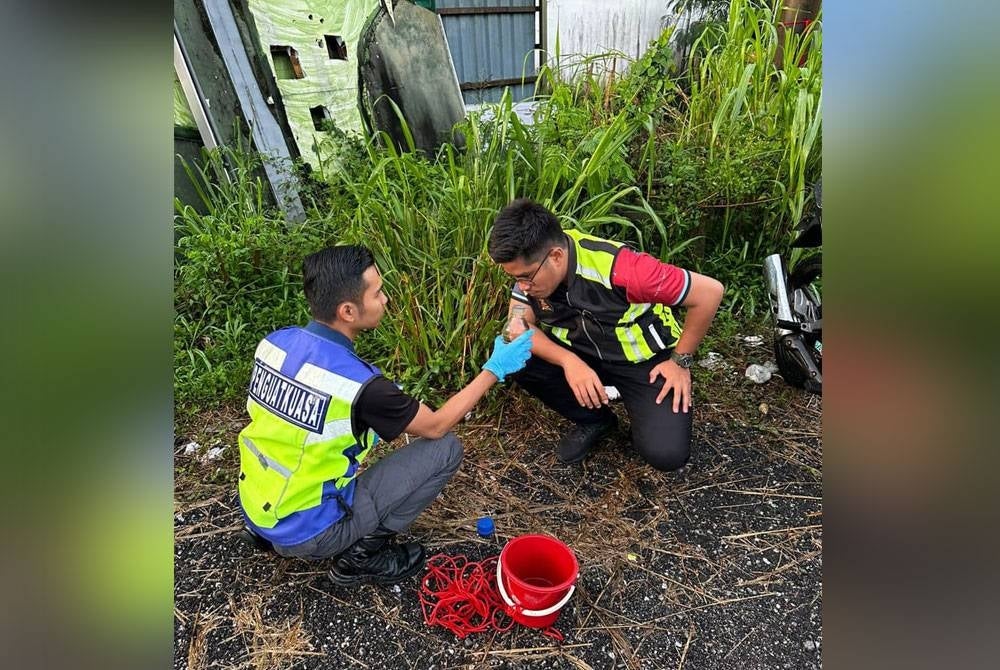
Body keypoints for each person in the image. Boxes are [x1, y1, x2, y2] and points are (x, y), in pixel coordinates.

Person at [236, 245, 533, 585]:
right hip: (309, 531)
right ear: (348, 311)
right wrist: (494, 369)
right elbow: (435, 426)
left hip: (257, 503)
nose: (386, 299)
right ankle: (361, 556)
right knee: (446, 449)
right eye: (377, 293)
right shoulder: (362, 387)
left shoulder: (274, 343)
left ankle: (268, 532)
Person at [487, 198, 724, 471]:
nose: (523, 288)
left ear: (556, 256)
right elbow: (515, 329)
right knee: (513, 354)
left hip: (642, 362)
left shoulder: (623, 269)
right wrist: (569, 362)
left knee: (666, 454)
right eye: (515, 279)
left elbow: (709, 293)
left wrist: (680, 361)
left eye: (527, 277)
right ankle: (595, 419)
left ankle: (634, 398)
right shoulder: (533, 275)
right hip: (583, 353)